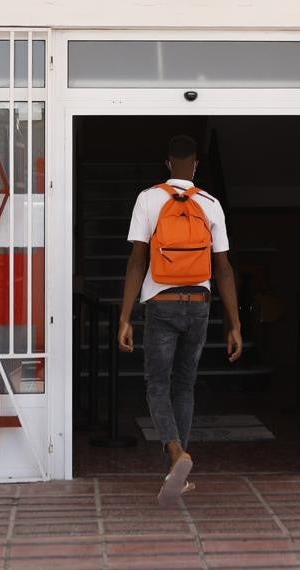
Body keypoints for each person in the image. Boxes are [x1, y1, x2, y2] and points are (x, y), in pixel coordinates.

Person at [117, 134, 243, 506]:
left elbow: (138, 260)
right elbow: (223, 268)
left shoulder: (149, 198)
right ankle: (178, 469)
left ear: (168, 163)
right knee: (184, 385)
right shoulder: (211, 203)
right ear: (196, 166)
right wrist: (235, 324)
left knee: (157, 384)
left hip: (161, 302)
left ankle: (175, 451)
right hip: (199, 303)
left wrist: (125, 316)